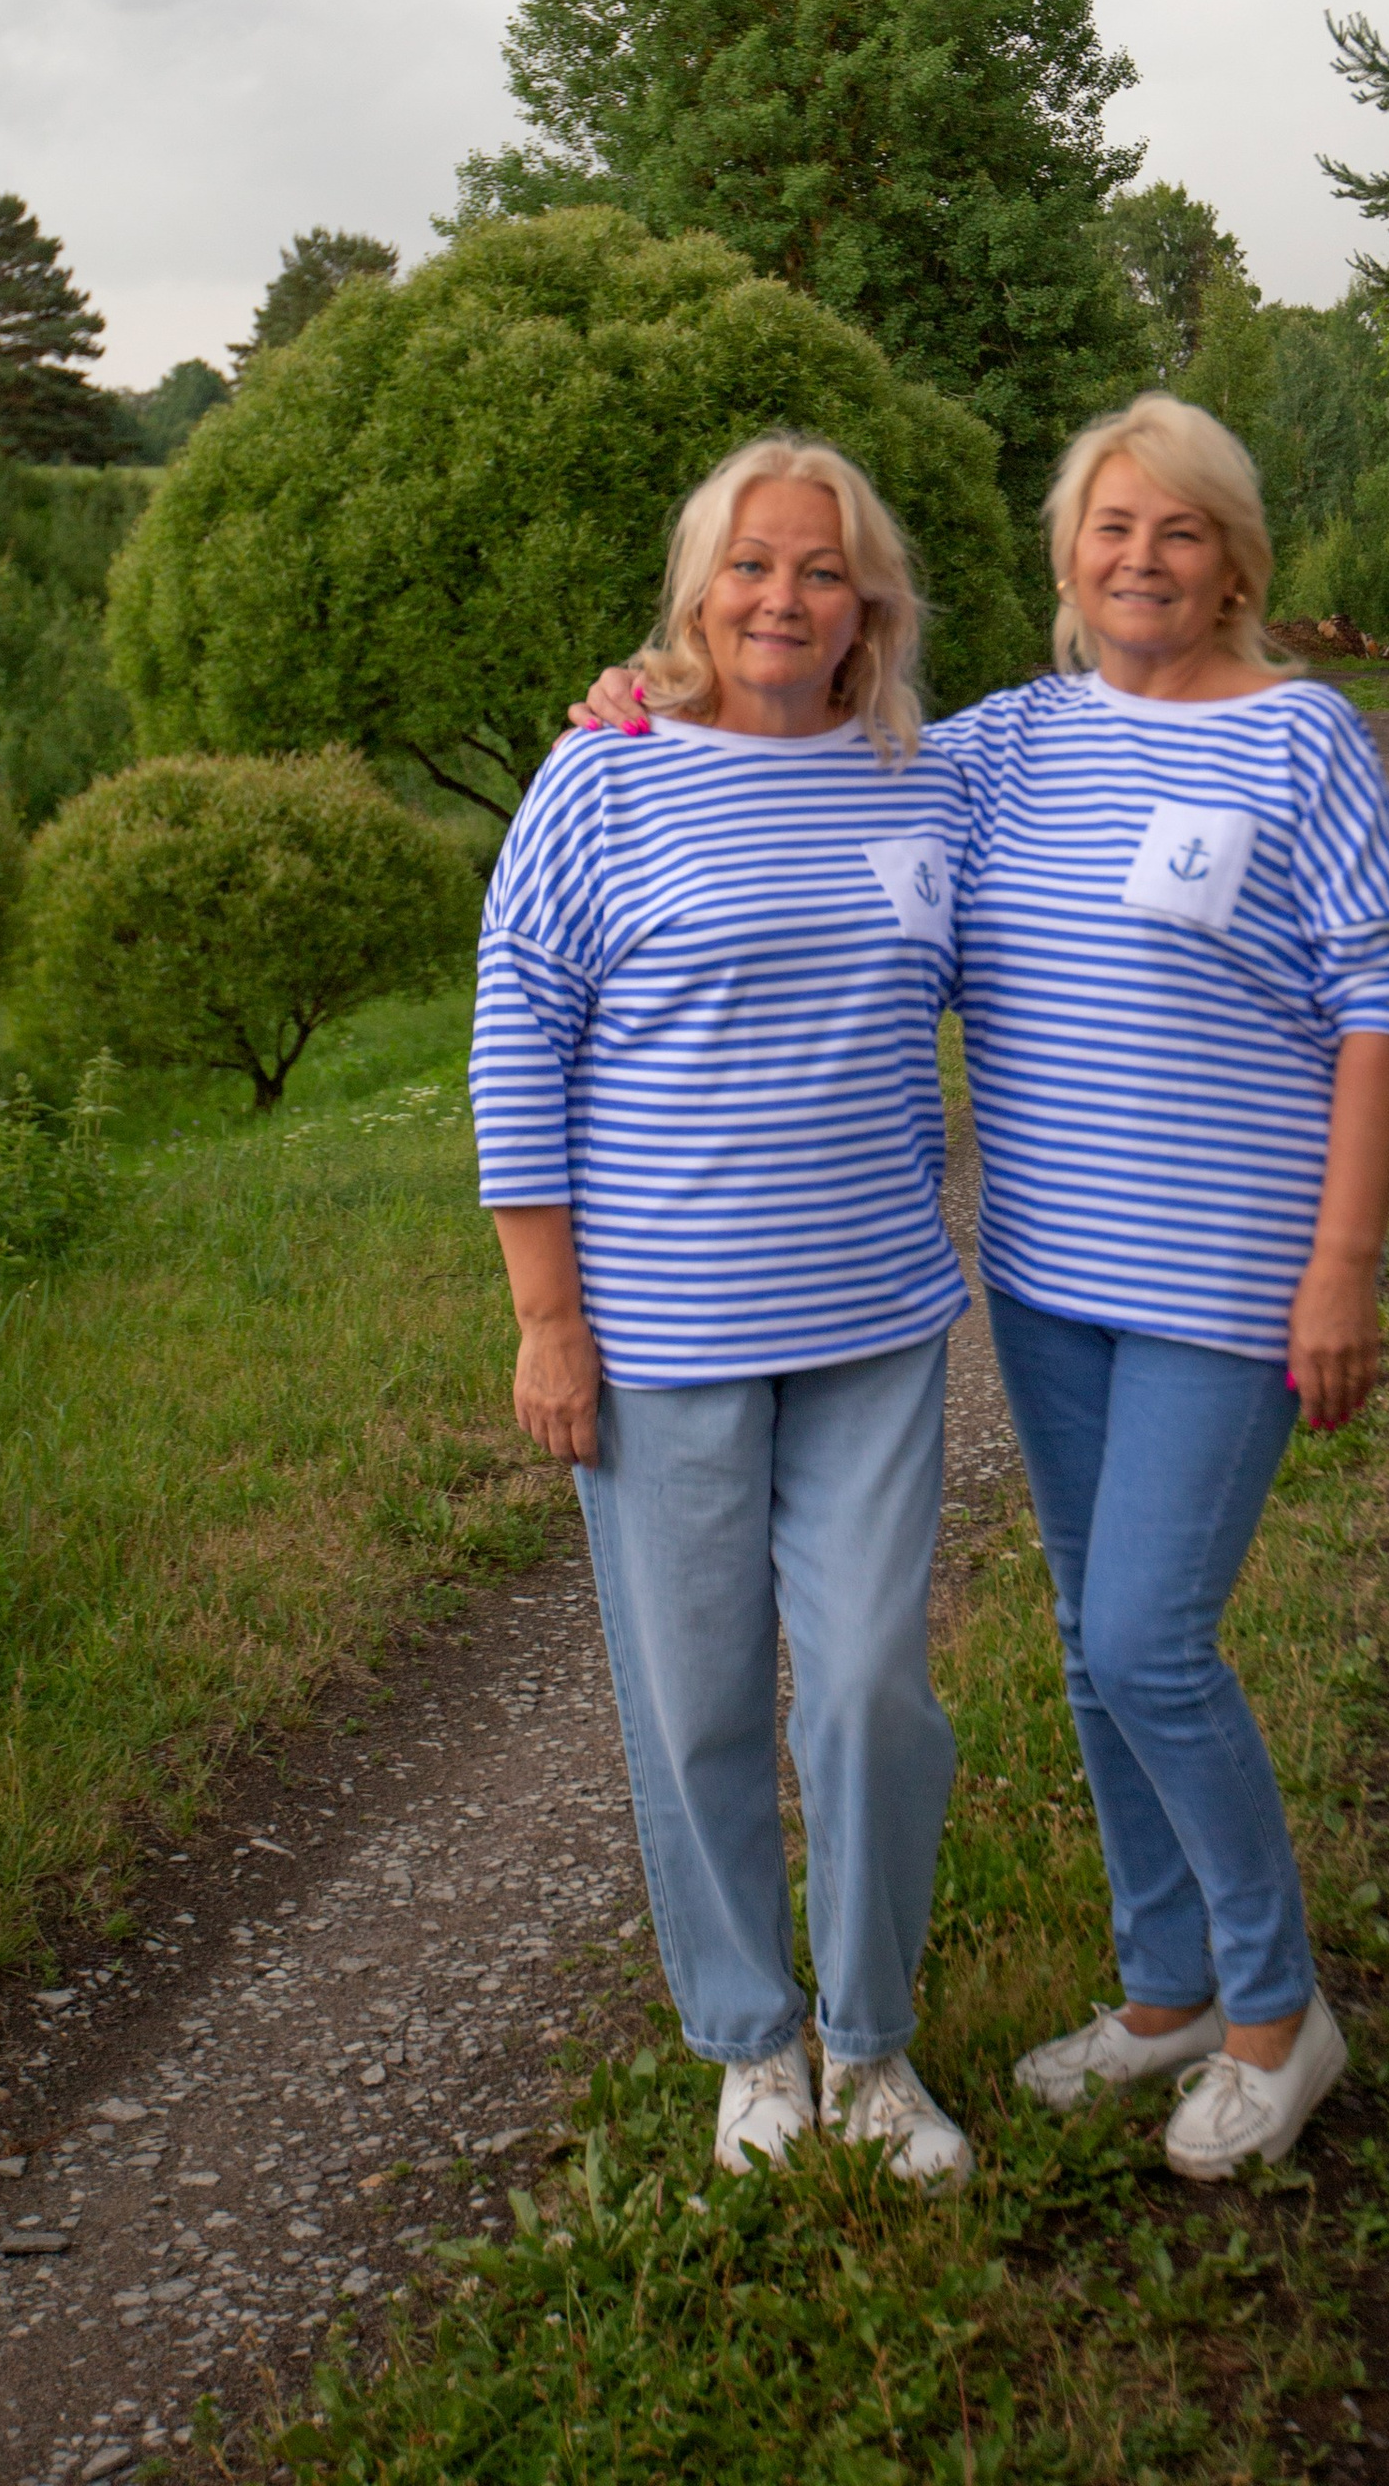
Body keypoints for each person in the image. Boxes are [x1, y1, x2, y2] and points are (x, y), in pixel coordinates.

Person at [574, 394, 1389, 2179]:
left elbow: (1376, 1005)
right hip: (1050, 1274)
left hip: (1232, 1278)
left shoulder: (1303, 737)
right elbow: (799, 758)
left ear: (1235, 561)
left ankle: (1278, 2015)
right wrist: (642, 701)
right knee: (1093, 1646)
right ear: (1066, 557)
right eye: (1112, 528)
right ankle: (1166, 1987)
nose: (1143, 560)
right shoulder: (999, 749)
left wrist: (1346, 1265)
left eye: (1180, 531)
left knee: (1150, 1642)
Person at [471, 434, 976, 2189]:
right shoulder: (600, 780)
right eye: (751, 564)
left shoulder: (927, 777)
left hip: (874, 1325)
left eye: (821, 569)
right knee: (694, 1708)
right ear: (697, 590)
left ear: (869, 604)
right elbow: (515, 1050)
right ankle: (752, 2043)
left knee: (870, 1693)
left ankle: (873, 2047)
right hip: (662, 1340)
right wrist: (547, 1316)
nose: (784, 596)